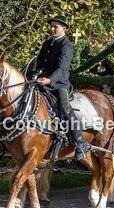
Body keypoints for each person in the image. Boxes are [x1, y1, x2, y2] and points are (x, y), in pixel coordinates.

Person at [34, 15, 89, 161]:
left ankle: (80, 143)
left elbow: (62, 68)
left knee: (65, 109)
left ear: (63, 28)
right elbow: (40, 63)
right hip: (41, 82)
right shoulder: (47, 43)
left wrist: (50, 79)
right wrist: (36, 75)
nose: (52, 29)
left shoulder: (66, 45)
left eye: (55, 26)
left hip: (59, 84)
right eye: (51, 26)